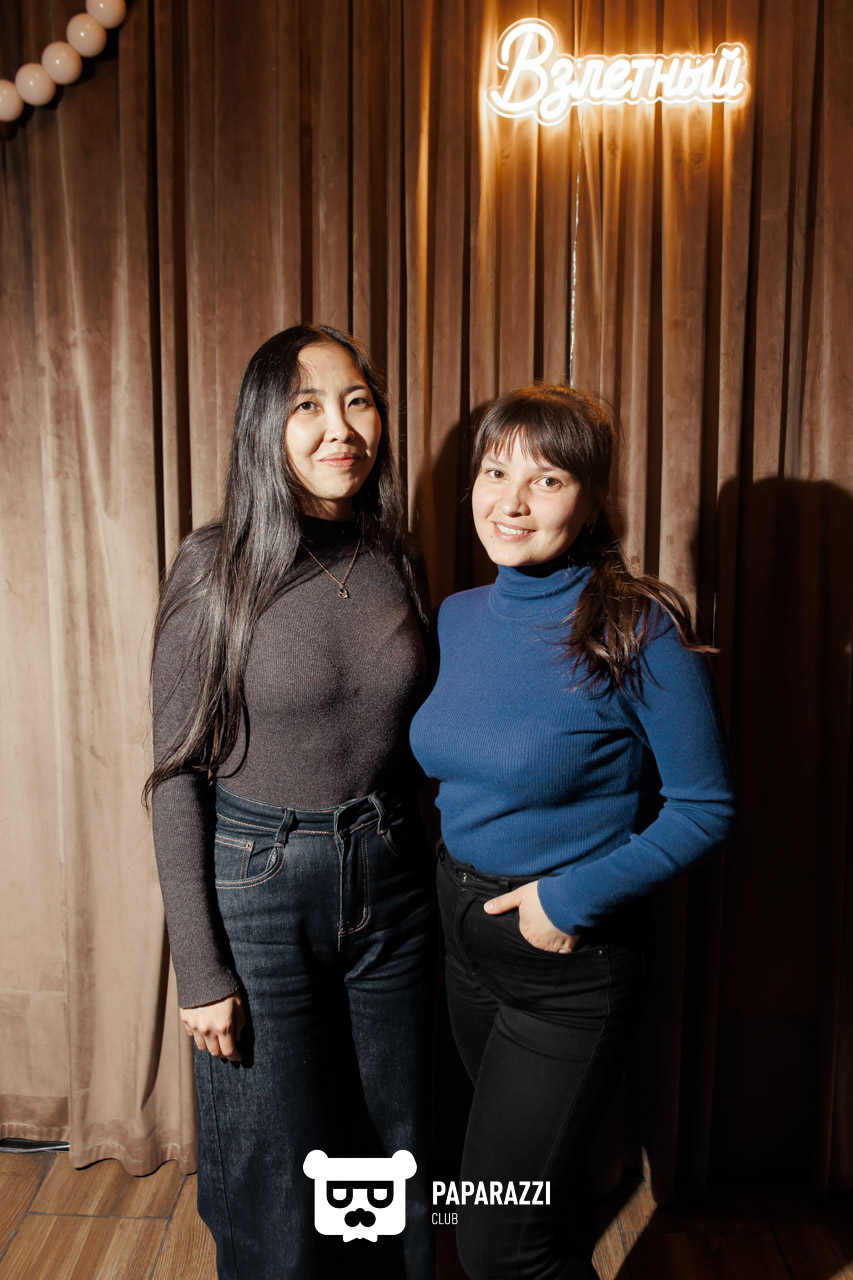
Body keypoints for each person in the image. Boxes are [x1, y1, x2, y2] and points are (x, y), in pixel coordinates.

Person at [410, 384, 736, 1280]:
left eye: (546, 480)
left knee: (496, 1243)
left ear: (591, 501)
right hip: (463, 942)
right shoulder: (457, 617)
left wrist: (565, 899)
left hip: (567, 964)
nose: (510, 502)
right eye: (495, 472)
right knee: (534, 1209)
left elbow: (705, 807)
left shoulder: (634, 629)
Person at [146, 324, 434, 1280]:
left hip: (391, 877)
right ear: (263, 425)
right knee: (270, 1169)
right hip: (259, 884)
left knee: (391, 1147)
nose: (339, 427)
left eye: (357, 400)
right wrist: (200, 970)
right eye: (307, 405)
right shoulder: (214, 566)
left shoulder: (396, 557)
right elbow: (175, 775)